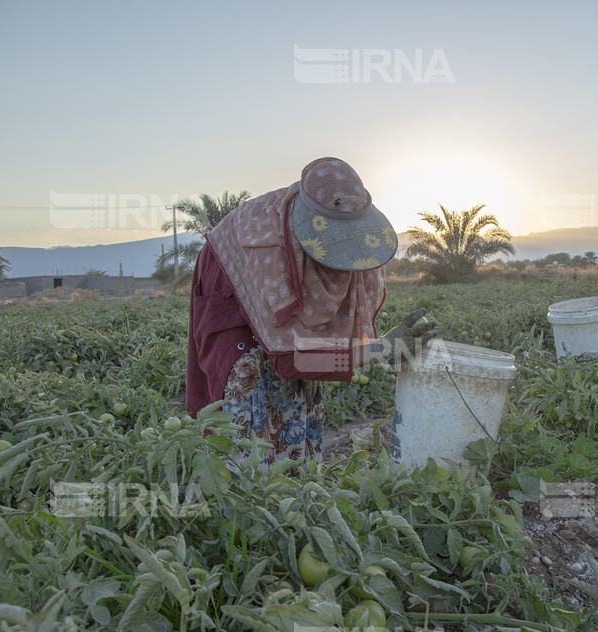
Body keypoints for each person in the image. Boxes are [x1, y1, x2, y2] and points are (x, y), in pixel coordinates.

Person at [186, 157, 437, 472]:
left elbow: (308, 352)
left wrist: (327, 362)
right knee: (250, 385)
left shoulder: (347, 247)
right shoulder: (268, 255)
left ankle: (296, 493)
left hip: (282, 339)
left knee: (303, 391)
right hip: (233, 307)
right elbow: (294, 358)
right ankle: (250, 496)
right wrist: (379, 350)